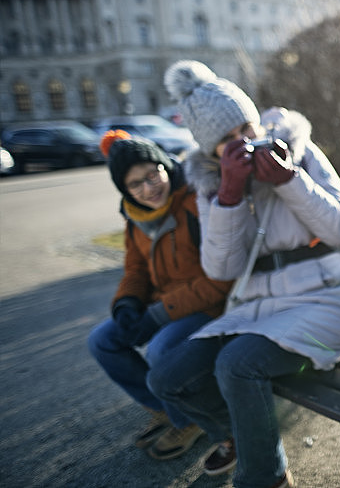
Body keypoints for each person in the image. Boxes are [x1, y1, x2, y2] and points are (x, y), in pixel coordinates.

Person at [148, 60, 340, 488]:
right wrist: (228, 197)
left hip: (325, 295)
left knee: (236, 365)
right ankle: (243, 437)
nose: (242, 143)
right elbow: (221, 268)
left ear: (255, 119)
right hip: (257, 305)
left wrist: (289, 180)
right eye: (225, 141)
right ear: (210, 152)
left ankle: (264, 476)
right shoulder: (212, 183)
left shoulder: (298, 148)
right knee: (166, 379)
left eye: (245, 129)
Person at [87, 130, 233, 460]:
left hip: (210, 305)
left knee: (161, 349)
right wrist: (127, 303)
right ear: (125, 191)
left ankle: (188, 419)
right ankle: (165, 409)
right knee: (102, 341)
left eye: (153, 175)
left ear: (165, 165)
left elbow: (220, 281)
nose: (148, 188)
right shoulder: (135, 218)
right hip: (164, 304)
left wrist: (157, 315)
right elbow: (135, 270)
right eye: (135, 184)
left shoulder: (196, 202)